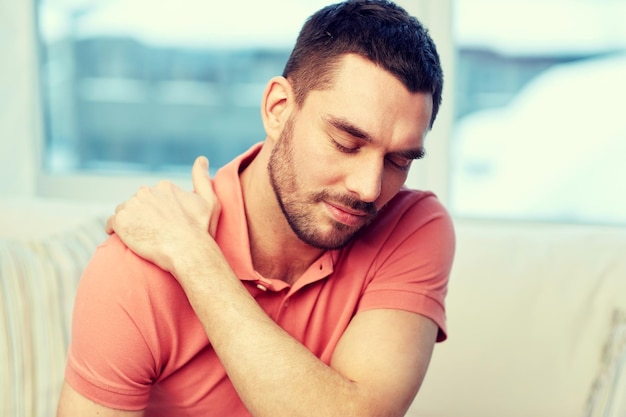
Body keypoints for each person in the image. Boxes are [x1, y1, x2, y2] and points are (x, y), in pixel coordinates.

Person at [56, 1, 455, 416]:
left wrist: (197, 261)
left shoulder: (414, 227)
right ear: (278, 108)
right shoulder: (134, 269)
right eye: (346, 143)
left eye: (398, 161)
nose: (370, 189)